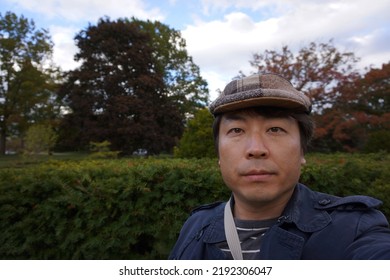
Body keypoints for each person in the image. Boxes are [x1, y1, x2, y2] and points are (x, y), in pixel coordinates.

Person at [169, 73, 390, 260]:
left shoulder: (356, 229)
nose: (256, 149)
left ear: (302, 150)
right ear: (218, 153)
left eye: (275, 129)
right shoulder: (195, 225)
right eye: (236, 130)